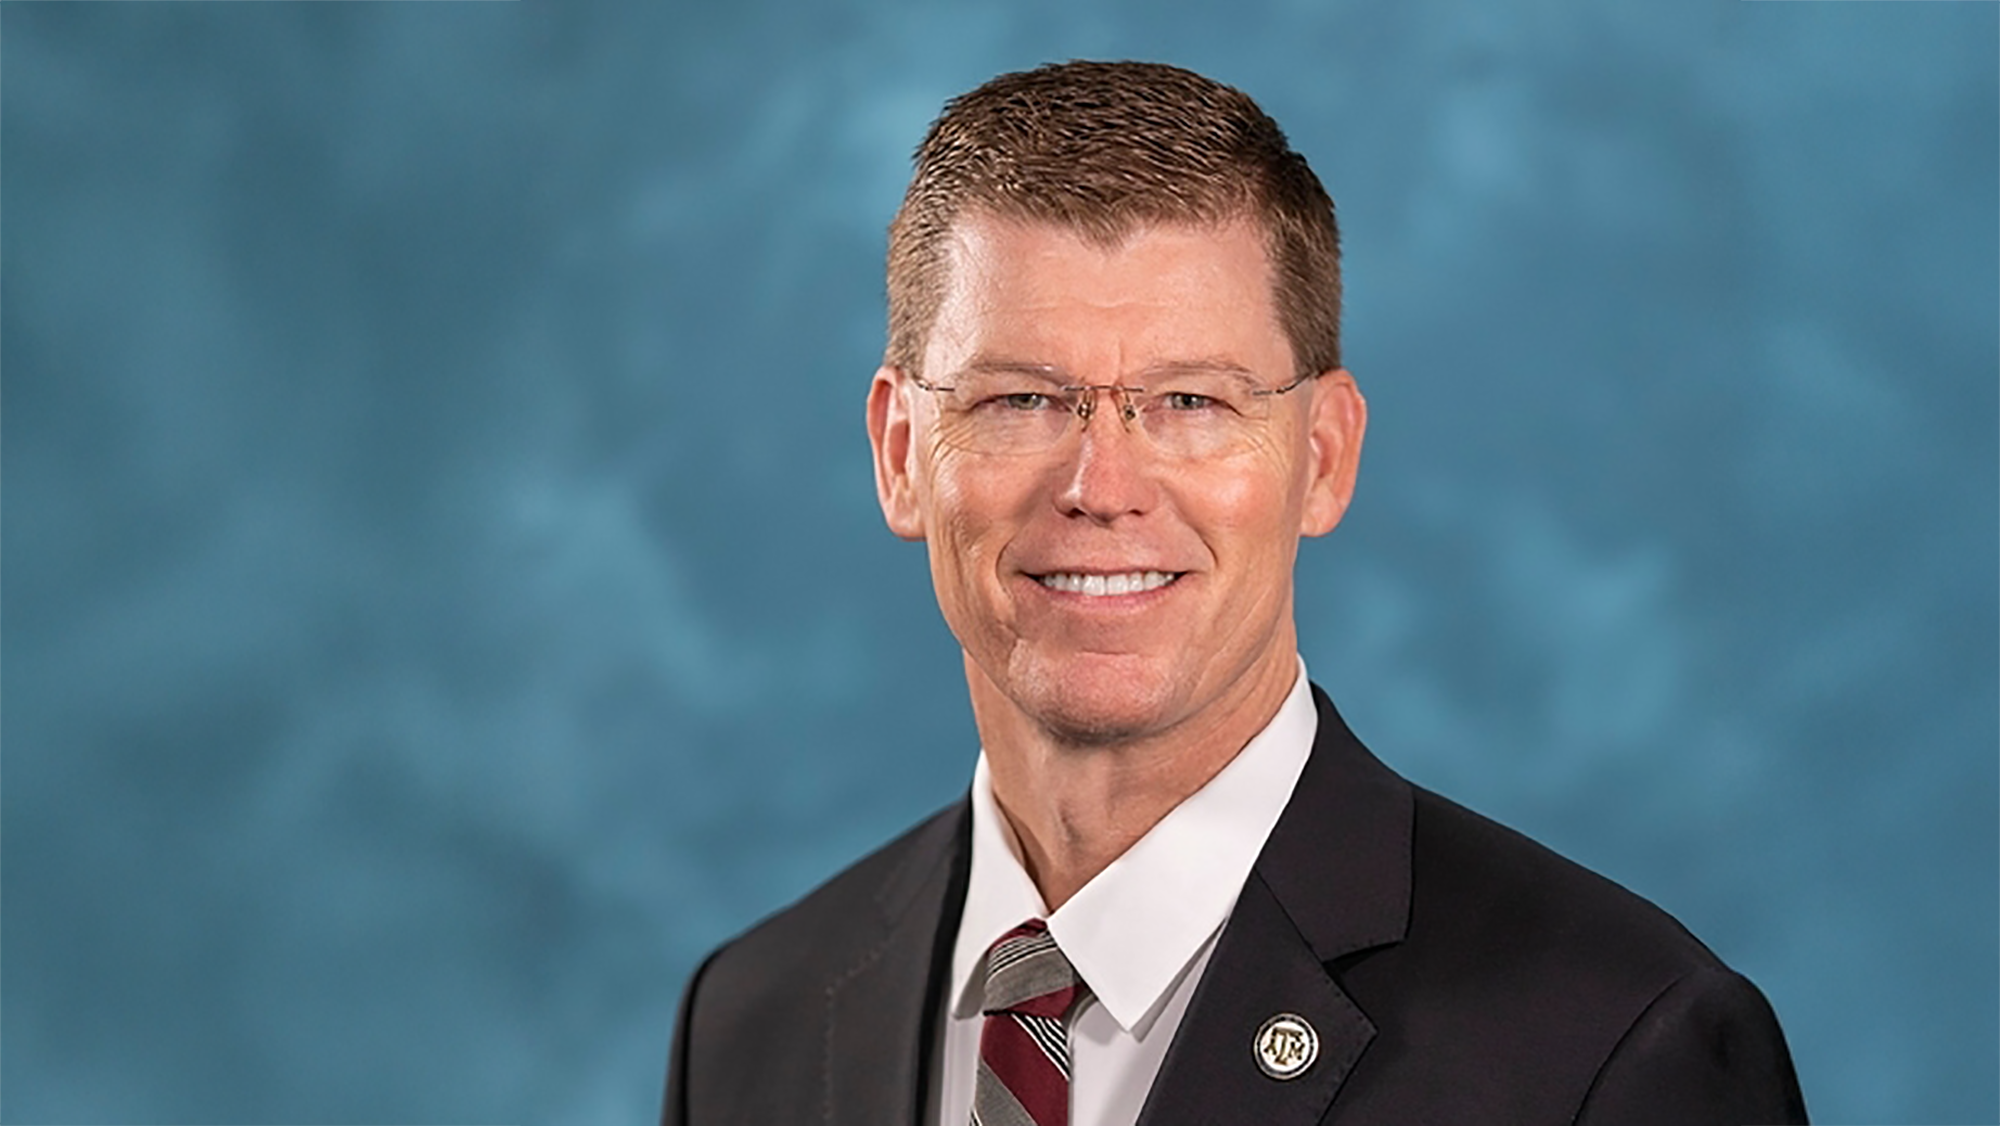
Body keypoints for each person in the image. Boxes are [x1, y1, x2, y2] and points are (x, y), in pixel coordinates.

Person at [661, 60, 1808, 1126]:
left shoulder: (1614, 1048)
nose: (1100, 487)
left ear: (1322, 456)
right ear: (900, 451)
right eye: (1018, 400)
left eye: (1191, 402)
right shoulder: (750, 1023)